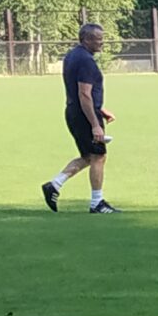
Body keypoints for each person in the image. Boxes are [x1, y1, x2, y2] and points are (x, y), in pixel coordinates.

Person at [43, 21, 117, 213]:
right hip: (84, 116)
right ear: (86, 39)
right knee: (98, 156)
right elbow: (84, 94)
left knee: (88, 156)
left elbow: (81, 93)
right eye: (98, 39)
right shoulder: (86, 61)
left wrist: (100, 109)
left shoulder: (73, 55)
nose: (101, 42)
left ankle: (54, 185)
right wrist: (95, 124)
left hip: (74, 112)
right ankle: (97, 203)